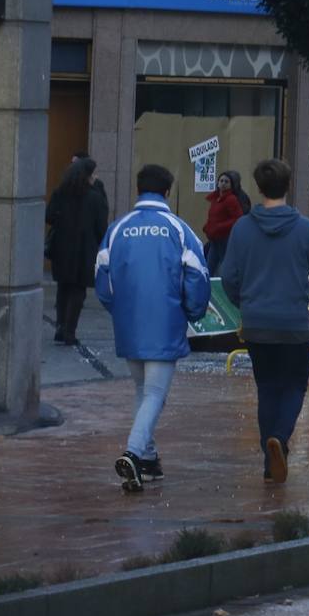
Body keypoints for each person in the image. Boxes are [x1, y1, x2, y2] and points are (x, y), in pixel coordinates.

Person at [222, 159, 309, 483]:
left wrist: (245, 303)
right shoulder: (304, 229)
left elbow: (229, 277)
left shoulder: (242, 228)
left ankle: (269, 456)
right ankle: (279, 437)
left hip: (256, 323)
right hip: (292, 324)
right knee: (294, 385)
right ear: (287, 187)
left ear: (259, 188)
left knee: (267, 388)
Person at [95, 164, 210, 492]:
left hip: (129, 322)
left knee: (143, 392)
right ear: (167, 191)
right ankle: (133, 453)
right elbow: (198, 275)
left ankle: (148, 458)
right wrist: (192, 312)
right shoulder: (178, 229)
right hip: (165, 320)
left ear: (137, 188)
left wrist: (118, 309)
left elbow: (102, 279)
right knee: (155, 394)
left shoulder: (118, 228)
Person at [45, 156, 109, 345]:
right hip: (84, 249)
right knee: (78, 290)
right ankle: (69, 331)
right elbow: (101, 227)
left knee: (63, 287)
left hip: (61, 247)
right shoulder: (95, 197)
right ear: (88, 175)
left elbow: (49, 216)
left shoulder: (61, 193)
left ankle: (60, 325)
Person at [202, 171, 247, 272]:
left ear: (231, 185)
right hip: (215, 239)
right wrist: (208, 226)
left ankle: (225, 286)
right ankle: (208, 285)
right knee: (209, 266)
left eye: (226, 182)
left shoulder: (231, 199)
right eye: (221, 181)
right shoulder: (216, 198)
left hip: (225, 239)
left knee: (225, 267)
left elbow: (238, 218)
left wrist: (219, 227)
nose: (223, 183)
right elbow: (213, 217)